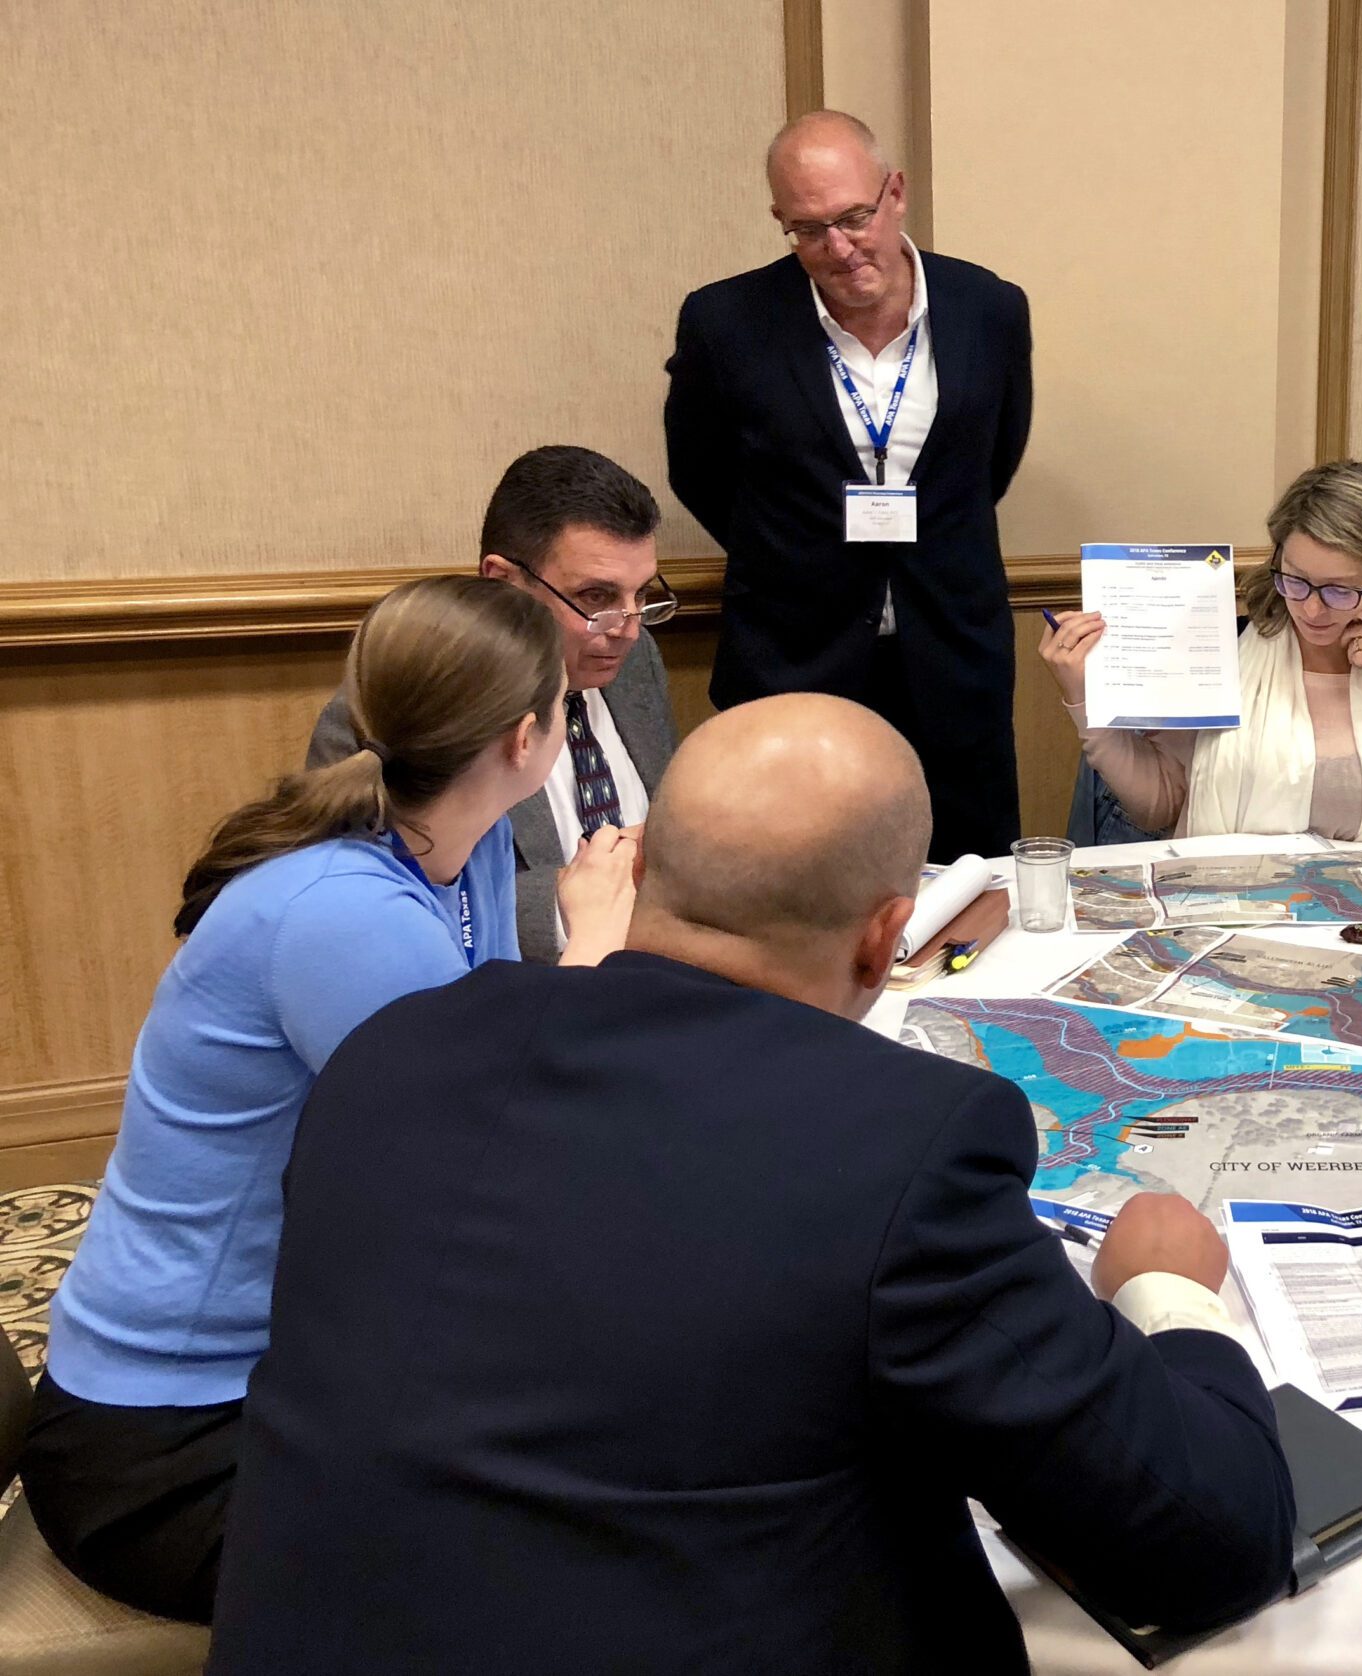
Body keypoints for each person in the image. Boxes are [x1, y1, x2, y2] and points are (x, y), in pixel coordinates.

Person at [207, 695, 1296, 1675]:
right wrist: (1169, 1294)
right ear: (886, 939)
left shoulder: (390, 1051)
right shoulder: (902, 1151)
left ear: (638, 868)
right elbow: (1208, 1547)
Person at [23, 578, 638, 1623]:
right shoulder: (343, 910)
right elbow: (501, 1157)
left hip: (309, 1366)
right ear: (526, 738)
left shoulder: (468, 847)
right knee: (576, 1558)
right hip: (168, 1443)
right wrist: (595, 948)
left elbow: (489, 1074)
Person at [665, 109, 1033, 861]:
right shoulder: (725, 323)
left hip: (951, 656)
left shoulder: (989, 309)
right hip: (793, 659)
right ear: (781, 222)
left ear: (895, 193)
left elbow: (990, 463)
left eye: (855, 218)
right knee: (788, 879)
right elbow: (698, 472)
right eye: (808, 230)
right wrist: (800, 550)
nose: (838, 248)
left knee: (966, 877)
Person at [309, 444, 676, 962]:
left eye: (641, 595)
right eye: (596, 598)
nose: (629, 629)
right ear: (503, 581)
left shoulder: (634, 661)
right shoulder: (394, 708)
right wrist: (583, 897)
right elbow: (369, 913)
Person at [1039, 460, 1362, 853]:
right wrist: (1085, 701)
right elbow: (1162, 805)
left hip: (1360, 910)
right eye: (1295, 580)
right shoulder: (1225, 654)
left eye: (1340, 590)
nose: (1312, 609)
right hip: (1221, 899)